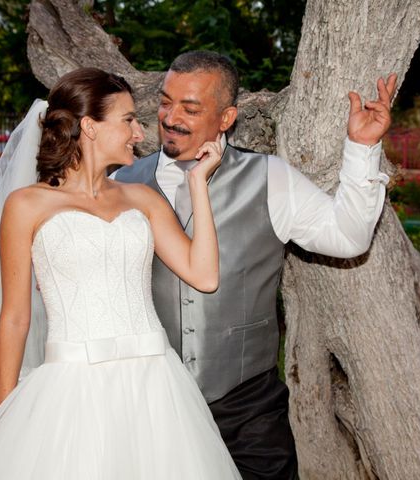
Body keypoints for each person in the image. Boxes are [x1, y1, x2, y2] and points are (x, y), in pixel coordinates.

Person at [0, 67, 242, 479]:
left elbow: (204, 276)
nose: (140, 132)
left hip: (154, 384)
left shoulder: (143, 198)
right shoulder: (27, 205)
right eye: (129, 119)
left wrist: (198, 187)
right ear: (90, 126)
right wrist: (4, 416)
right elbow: (14, 318)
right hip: (72, 389)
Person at [114, 50, 396, 479]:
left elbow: (348, 237)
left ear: (226, 118)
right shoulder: (121, 182)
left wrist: (362, 148)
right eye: (166, 102)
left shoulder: (272, 178)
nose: (170, 118)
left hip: (247, 407)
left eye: (190, 108)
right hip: (149, 398)